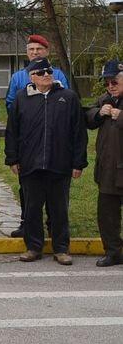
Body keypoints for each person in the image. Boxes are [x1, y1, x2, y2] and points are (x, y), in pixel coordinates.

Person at [5, 57, 87, 265]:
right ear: (32, 76)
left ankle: (61, 249)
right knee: (32, 209)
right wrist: (12, 158)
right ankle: (33, 247)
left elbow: (79, 132)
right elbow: (12, 132)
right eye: (41, 73)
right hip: (30, 165)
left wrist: (78, 163)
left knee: (59, 209)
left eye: (49, 71)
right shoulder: (22, 99)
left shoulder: (68, 98)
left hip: (59, 164)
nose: (46, 75)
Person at [5, 34, 72, 238]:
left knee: (56, 190)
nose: (35, 52)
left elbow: (66, 105)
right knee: (27, 187)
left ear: (47, 51)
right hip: (28, 140)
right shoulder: (18, 77)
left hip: (54, 140)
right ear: (27, 52)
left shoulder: (58, 74)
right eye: (31, 49)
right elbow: (10, 103)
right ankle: (27, 223)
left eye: (39, 49)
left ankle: (54, 224)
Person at [85, 60, 123, 267]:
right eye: (107, 83)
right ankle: (113, 251)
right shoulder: (104, 100)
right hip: (108, 169)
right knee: (107, 215)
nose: (110, 86)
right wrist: (99, 113)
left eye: (114, 82)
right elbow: (87, 118)